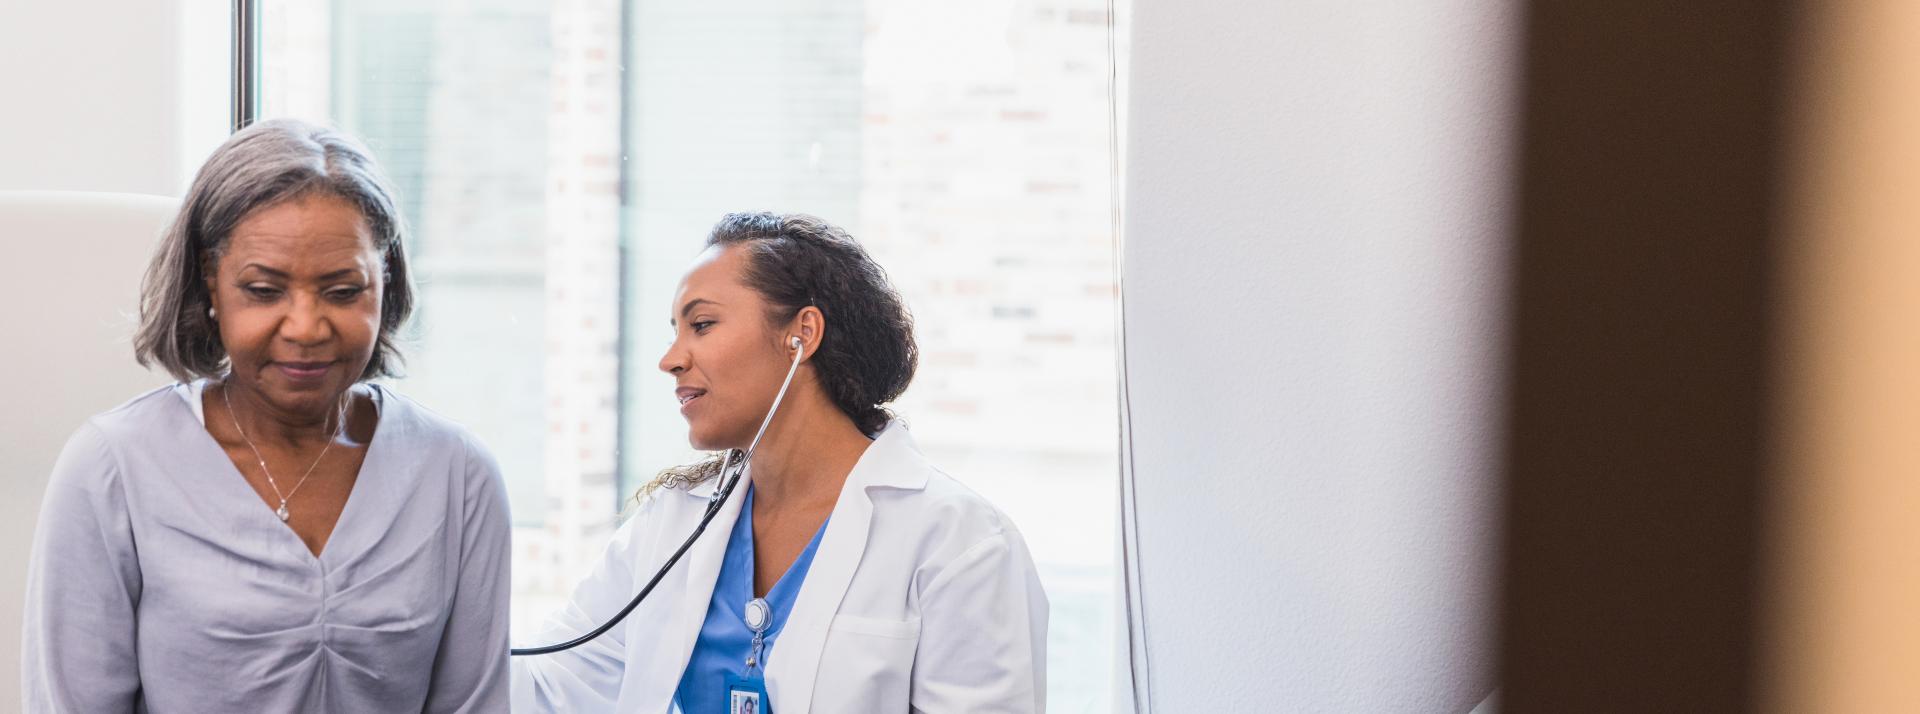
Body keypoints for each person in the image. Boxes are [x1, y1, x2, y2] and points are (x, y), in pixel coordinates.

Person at [21, 119, 511, 712]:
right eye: (263, 290)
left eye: (342, 290)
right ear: (211, 283)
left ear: (385, 283)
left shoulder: (456, 475)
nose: (305, 327)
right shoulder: (112, 469)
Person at [512, 212, 1049, 712]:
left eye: (701, 325)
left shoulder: (960, 542)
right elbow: (552, 687)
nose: (670, 359)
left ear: (802, 335)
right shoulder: (670, 524)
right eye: (673, 332)